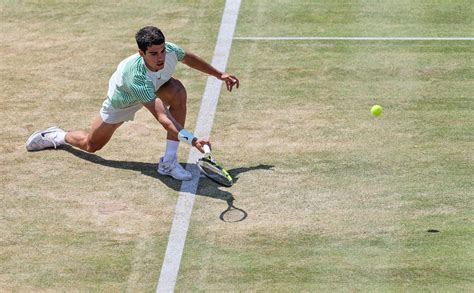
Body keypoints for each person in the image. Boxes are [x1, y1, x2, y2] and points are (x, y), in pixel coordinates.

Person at [25, 26, 239, 181]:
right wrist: (193, 140)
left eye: (162, 51)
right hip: (123, 101)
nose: (161, 57)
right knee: (92, 145)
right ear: (141, 53)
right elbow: (164, 118)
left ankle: (169, 162)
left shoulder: (170, 51)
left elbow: (189, 58)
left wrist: (220, 75)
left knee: (178, 92)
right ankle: (56, 136)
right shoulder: (135, 78)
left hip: (156, 86)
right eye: (153, 54)